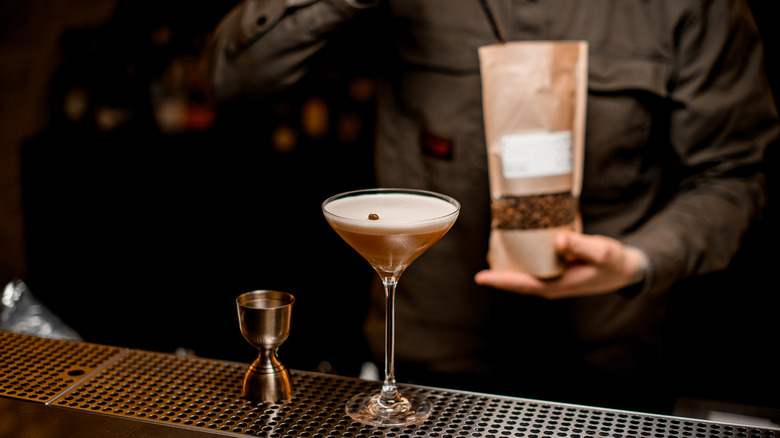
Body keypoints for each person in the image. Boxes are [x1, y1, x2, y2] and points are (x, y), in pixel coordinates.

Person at [203, 0, 778, 413]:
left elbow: (735, 175)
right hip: (426, 371)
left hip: (609, 369)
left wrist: (640, 259)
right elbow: (233, 82)